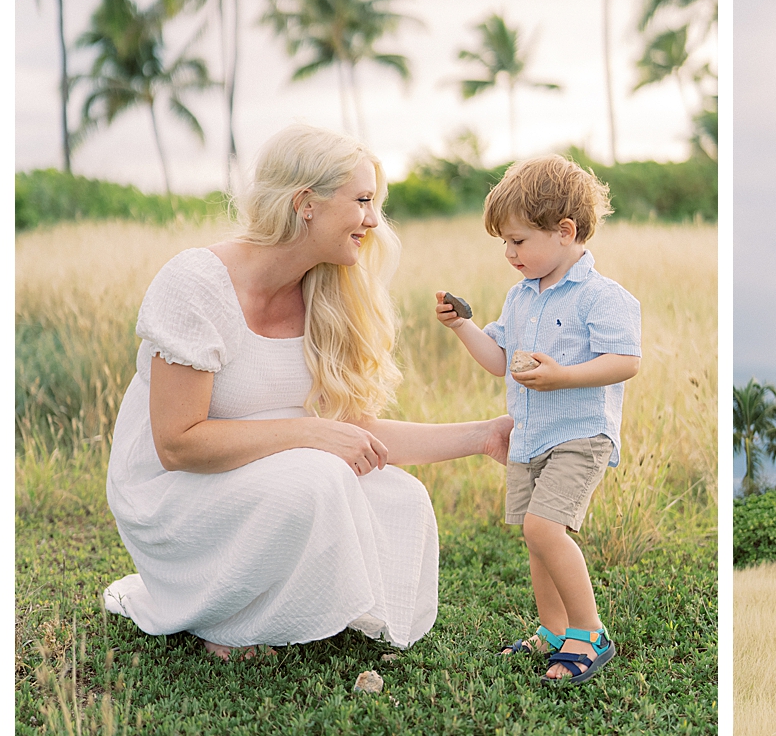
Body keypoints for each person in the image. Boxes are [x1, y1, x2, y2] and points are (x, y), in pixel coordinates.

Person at [103, 124, 514, 660]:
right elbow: (177, 444)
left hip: (265, 475)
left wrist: (485, 435)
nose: (373, 219)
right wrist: (313, 434)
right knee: (320, 477)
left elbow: (355, 433)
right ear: (305, 204)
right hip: (173, 491)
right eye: (363, 200)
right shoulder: (196, 283)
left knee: (399, 497)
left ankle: (299, 610)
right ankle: (228, 623)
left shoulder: (327, 290)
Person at [437, 154, 641, 685]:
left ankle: (589, 632)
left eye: (519, 241)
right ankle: (554, 632)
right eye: (504, 242)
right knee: (533, 536)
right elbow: (498, 361)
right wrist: (464, 327)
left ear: (565, 231)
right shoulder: (521, 296)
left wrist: (563, 376)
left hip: (579, 434)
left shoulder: (603, 297)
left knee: (544, 526)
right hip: (531, 436)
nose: (509, 253)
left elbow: (626, 361)